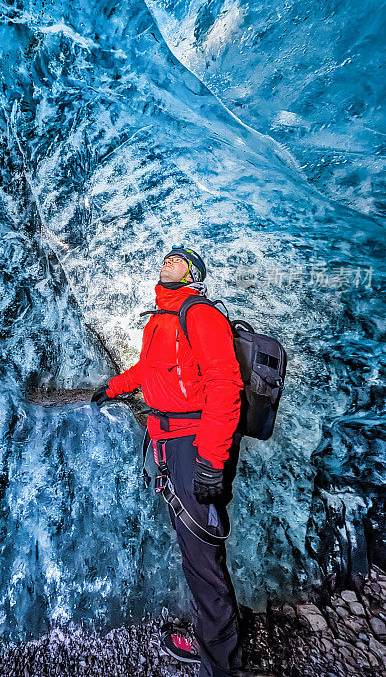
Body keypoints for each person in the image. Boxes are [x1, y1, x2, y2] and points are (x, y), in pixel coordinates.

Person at [92, 245, 245, 677]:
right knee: (192, 548)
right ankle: (212, 641)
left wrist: (211, 461)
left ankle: (223, 665)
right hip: (167, 438)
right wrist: (114, 387)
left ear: (194, 273)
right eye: (167, 255)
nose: (169, 257)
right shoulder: (160, 319)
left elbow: (225, 387)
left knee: (201, 554)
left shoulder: (201, 315)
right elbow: (148, 370)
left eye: (179, 257)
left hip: (195, 443)